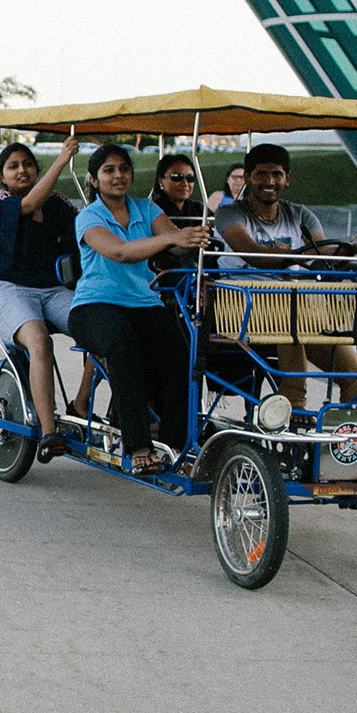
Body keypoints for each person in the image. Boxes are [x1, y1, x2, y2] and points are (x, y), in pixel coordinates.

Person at [68, 143, 207, 474]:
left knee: (181, 354)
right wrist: (173, 239)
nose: (119, 176)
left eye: (124, 169)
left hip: (144, 303)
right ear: (94, 179)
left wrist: (193, 239)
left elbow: (175, 241)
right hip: (94, 306)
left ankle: (175, 444)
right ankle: (138, 444)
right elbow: (120, 252)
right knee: (123, 346)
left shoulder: (147, 210)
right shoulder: (89, 216)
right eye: (109, 170)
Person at [213, 142, 357, 407]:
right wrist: (294, 254)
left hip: (296, 305)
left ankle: (351, 430)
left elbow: (322, 251)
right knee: (290, 318)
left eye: (276, 174)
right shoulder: (231, 213)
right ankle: (293, 403)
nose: (269, 181)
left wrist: (352, 261)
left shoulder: (299, 214)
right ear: (248, 178)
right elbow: (252, 253)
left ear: (287, 178)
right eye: (261, 174)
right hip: (242, 303)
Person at [0, 135, 83, 449]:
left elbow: (84, 232)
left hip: (54, 290)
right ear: (2, 176)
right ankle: (49, 431)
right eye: (13, 166)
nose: (22, 170)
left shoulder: (59, 203)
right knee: (39, 341)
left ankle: (81, 404)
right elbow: (27, 204)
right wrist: (62, 159)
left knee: (102, 326)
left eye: (28, 164)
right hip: (9, 288)